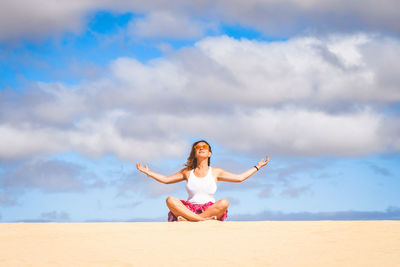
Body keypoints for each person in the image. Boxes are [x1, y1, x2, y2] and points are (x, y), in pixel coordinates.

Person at [136, 140, 269, 222]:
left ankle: (191, 221)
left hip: (210, 209)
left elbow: (239, 178)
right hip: (188, 209)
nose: (200, 148)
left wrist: (257, 166)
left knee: (224, 202)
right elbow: (165, 180)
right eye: (197, 147)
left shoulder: (216, 171)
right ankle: (201, 220)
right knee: (170, 199)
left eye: (204, 147)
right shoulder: (187, 172)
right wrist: (148, 172)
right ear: (194, 153)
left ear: (209, 153)